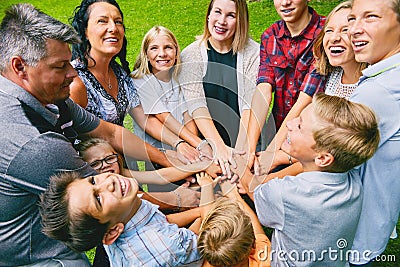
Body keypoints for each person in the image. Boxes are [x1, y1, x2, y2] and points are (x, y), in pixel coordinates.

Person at [0, 3, 167, 266]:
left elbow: (110, 132)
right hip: (36, 254)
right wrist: (189, 200)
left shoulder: (50, 96)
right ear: (20, 67)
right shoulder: (34, 144)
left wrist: (172, 161)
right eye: (60, 66)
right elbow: (118, 198)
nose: (72, 74)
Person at [239, 93, 380, 266]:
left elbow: (254, 190)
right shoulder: (353, 179)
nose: (290, 124)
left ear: (322, 158)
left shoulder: (285, 194)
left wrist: (240, 165)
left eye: (299, 126)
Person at [70, 0, 198, 164]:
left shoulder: (119, 73)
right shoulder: (76, 82)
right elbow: (105, 135)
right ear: (85, 31)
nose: (113, 28)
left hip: (122, 161)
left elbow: (145, 119)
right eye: (102, 21)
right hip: (94, 173)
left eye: (118, 22)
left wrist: (178, 144)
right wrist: (168, 159)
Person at [254, 0, 368, 175]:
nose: (335, 37)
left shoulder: (365, 91)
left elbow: (330, 154)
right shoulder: (333, 74)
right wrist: (248, 149)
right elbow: (263, 91)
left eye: (345, 30)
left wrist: (275, 162)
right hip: (288, 140)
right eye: (330, 31)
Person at [39, 171, 217, 266]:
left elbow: (163, 222)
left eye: (93, 181)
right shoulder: (163, 246)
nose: (108, 182)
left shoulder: (125, 210)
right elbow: (207, 237)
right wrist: (207, 190)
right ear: (112, 232)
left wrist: (198, 211)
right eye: (98, 199)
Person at [179, 0, 259, 176]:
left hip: (245, 140)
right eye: (217, 12)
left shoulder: (253, 53)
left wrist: (239, 154)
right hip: (207, 144)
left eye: (231, 15)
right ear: (208, 15)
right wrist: (219, 148)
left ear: (240, 21)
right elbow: (197, 106)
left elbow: (249, 106)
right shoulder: (191, 55)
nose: (222, 21)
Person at [347, 0, 400, 265]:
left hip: (355, 233)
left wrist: (263, 180)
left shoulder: (377, 92)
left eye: (370, 17)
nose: (354, 29)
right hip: (379, 216)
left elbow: (326, 153)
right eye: (353, 19)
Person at [245, 0, 326, 169]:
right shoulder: (270, 35)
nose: (285, 2)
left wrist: (270, 154)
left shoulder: (326, 33)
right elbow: (263, 89)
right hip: (275, 128)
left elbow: (305, 100)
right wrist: (250, 148)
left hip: (309, 136)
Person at [132, 26, 211, 160]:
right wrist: (199, 144)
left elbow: (187, 116)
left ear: (176, 51)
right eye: (154, 48)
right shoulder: (139, 80)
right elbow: (164, 118)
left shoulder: (179, 77)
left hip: (184, 143)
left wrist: (193, 147)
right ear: (146, 54)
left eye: (168, 47)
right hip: (158, 150)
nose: (162, 53)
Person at [197, 172, 271, 267]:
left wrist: (206, 187)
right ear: (254, 244)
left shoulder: (213, 257)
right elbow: (259, 234)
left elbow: (206, 219)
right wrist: (234, 195)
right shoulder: (265, 259)